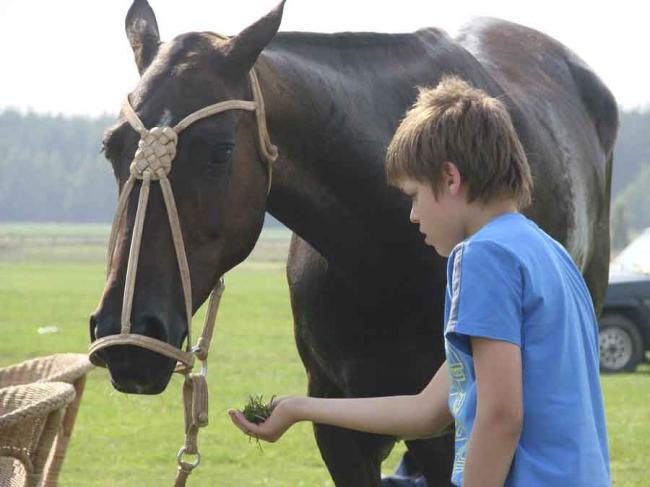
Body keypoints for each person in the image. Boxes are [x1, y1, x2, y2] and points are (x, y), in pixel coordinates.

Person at [227, 75, 611, 487]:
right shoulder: (550, 255)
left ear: (449, 178)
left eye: (413, 194)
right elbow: (428, 411)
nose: (412, 215)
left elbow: (501, 416)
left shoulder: (483, 256)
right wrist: (300, 408)